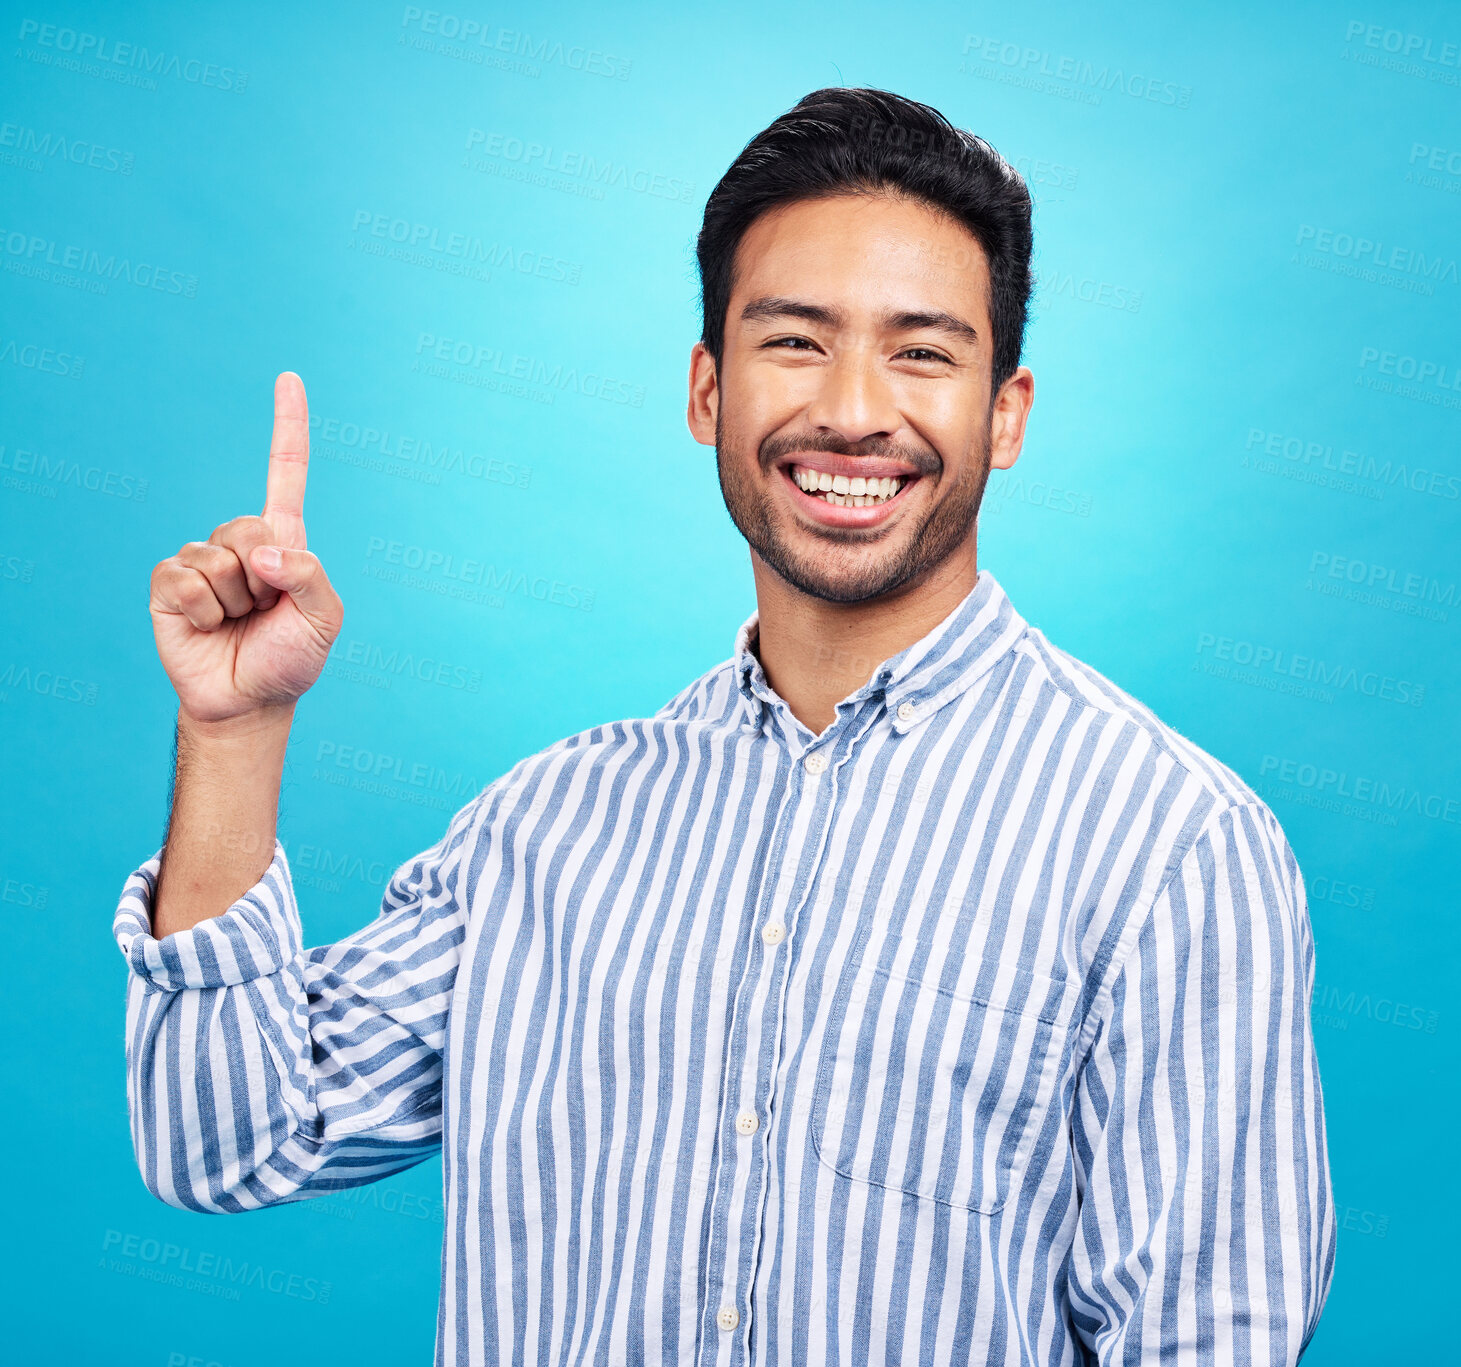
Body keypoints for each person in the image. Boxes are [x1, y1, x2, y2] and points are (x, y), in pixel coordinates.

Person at [115, 87, 1335, 1365]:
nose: (855, 409)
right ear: (707, 390)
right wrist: (235, 733)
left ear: (1007, 412)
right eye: (795, 341)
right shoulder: (546, 828)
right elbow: (229, 1139)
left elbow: (1210, 1339)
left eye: (922, 351)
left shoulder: (1172, 848)